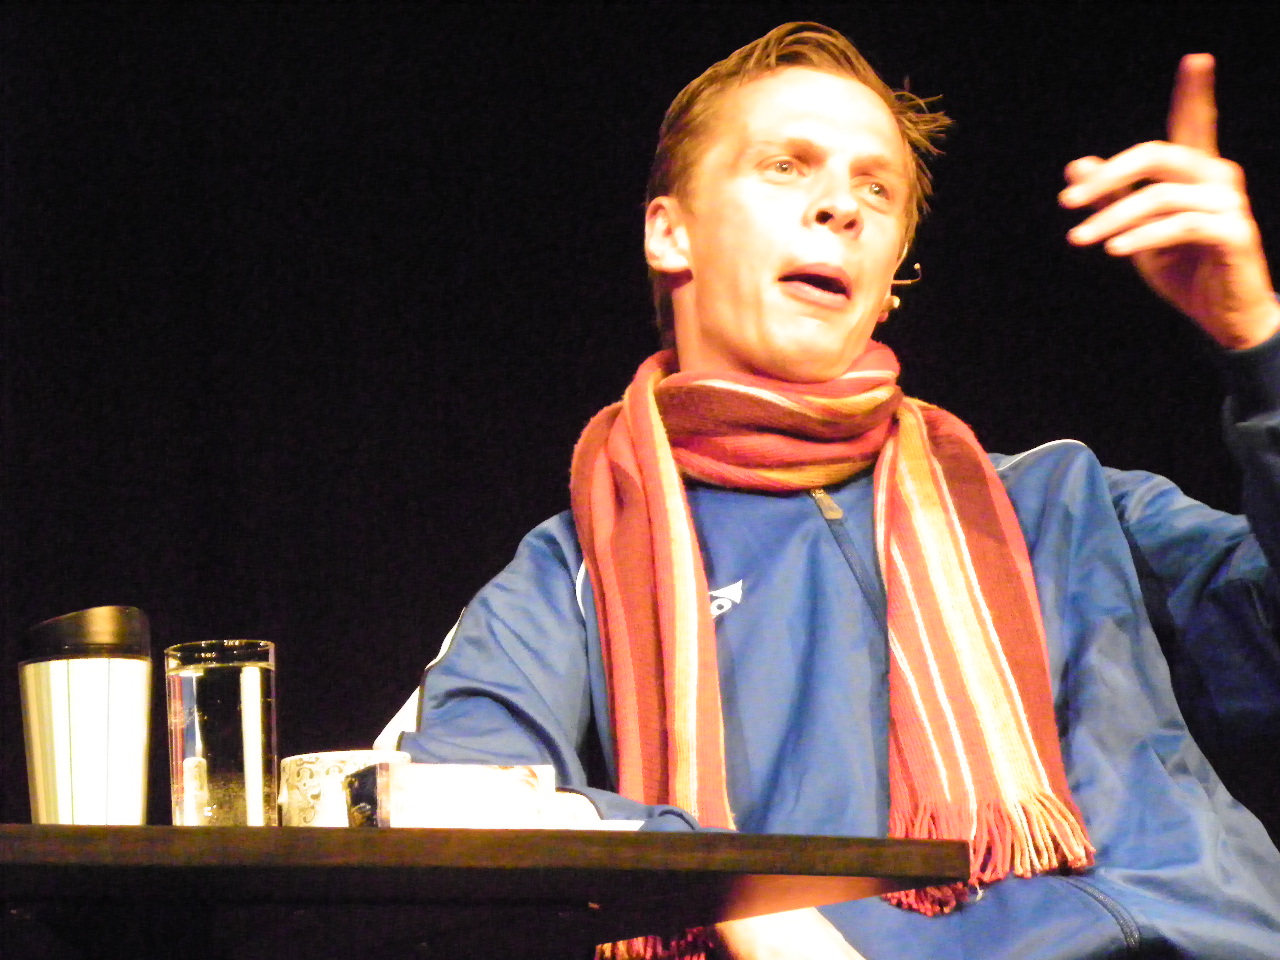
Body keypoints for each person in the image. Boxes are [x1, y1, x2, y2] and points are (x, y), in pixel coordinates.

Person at [393, 22, 1280, 960]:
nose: (842, 207)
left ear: (891, 278)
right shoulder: (580, 568)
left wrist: (1257, 340)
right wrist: (736, 893)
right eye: (786, 166)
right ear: (670, 231)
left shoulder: (1061, 500)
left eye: (876, 188)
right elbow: (447, 800)